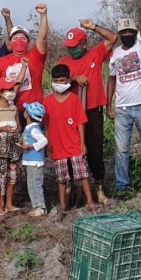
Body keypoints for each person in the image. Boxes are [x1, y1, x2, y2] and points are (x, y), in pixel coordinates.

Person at [57, 18, 117, 204]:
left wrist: (93, 27)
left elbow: (113, 37)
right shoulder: (63, 61)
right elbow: (58, 84)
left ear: (84, 44)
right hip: (72, 112)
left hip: (92, 110)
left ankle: (99, 188)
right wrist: (73, 78)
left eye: (74, 45)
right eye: (69, 46)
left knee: (95, 150)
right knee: (73, 150)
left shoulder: (95, 54)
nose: (71, 49)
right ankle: (74, 188)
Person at [106, 0, 141, 194]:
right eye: (124, 32)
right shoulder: (115, 53)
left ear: (135, 33)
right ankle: (122, 187)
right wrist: (108, 104)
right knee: (121, 150)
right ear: (119, 34)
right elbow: (111, 80)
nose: (127, 34)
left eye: (130, 31)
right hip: (123, 108)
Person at [45, 64, 96, 211]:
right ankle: (63, 204)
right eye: (56, 80)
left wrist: (82, 143)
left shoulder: (74, 99)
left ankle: (90, 201)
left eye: (62, 80)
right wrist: (48, 144)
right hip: (57, 145)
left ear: (68, 80)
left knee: (82, 174)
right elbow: (46, 125)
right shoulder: (47, 101)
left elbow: (81, 123)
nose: (59, 84)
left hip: (74, 144)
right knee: (61, 178)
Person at [0, 4, 50, 114]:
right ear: (10, 42)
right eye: (15, 38)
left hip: (34, 110)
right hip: (10, 110)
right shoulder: (2, 61)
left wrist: (43, 15)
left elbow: (42, 38)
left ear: (28, 42)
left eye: (23, 38)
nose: (19, 41)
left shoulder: (36, 56)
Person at [0, 79, 26, 216]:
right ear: (0, 92)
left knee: (12, 174)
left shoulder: (14, 108)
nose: (11, 93)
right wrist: (3, 128)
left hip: (13, 145)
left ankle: (9, 203)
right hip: (0, 146)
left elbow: (19, 125)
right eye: (7, 90)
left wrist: (18, 130)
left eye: (11, 90)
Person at [21, 102, 49, 216]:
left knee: (36, 184)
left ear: (27, 114)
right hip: (29, 160)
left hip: (35, 161)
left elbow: (44, 140)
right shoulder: (29, 128)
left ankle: (41, 207)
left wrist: (31, 146)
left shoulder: (34, 129)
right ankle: (36, 206)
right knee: (31, 184)